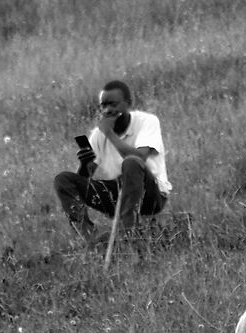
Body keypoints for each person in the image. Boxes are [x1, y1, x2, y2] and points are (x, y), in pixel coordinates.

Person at [53, 80, 171, 241]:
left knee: (131, 163)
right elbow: (85, 178)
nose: (107, 110)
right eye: (103, 106)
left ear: (128, 104)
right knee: (63, 180)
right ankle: (90, 239)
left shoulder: (147, 122)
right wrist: (83, 164)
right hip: (118, 194)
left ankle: (130, 231)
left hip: (151, 194)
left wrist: (110, 133)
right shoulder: (98, 134)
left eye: (113, 105)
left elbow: (139, 157)